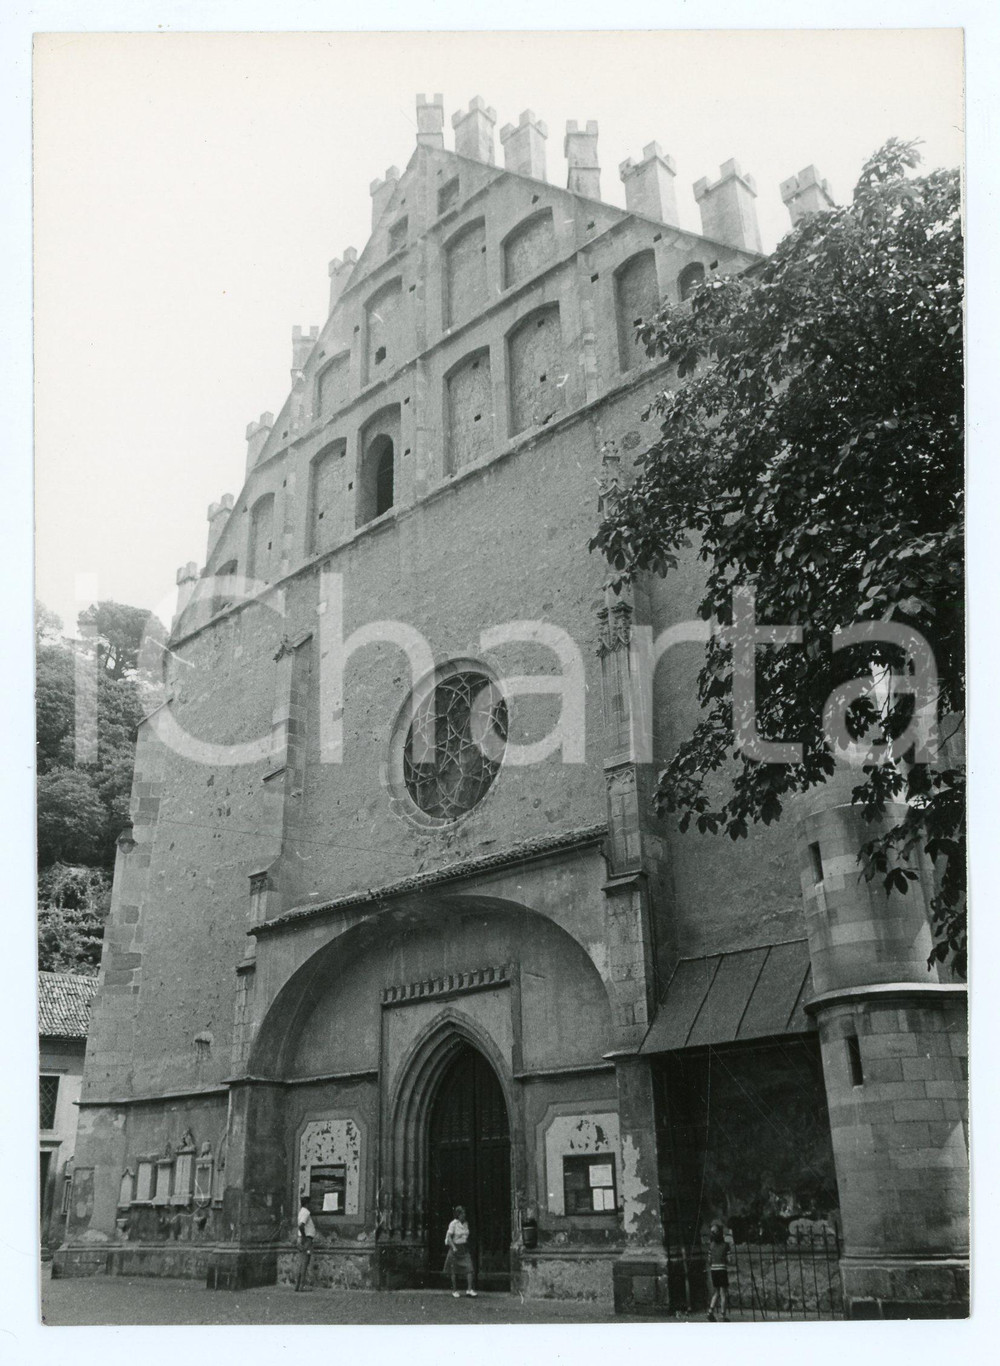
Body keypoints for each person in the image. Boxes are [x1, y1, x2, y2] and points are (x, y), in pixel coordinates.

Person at [444, 1205, 476, 1298]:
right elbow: (449, 1237)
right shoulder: (453, 1224)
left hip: (463, 1248)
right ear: (458, 1215)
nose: (464, 1215)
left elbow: (466, 1235)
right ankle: (454, 1290)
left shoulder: (466, 1223)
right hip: (455, 1248)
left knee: (469, 1268)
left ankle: (469, 1290)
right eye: (462, 1213)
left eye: (464, 1213)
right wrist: (453, 1247)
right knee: (453, 1270)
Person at [707, 1219, 730, 1321]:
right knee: (723, 1293)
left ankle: (710, 1312)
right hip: (722, 1269)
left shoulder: (711, 1246)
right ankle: (723, 1315)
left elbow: (709, 1260)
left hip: (713, 1270)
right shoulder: (726, 1245)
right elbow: (730, 1260)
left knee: (716, 1292)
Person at [295, 1195, 316, 1291]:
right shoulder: (306, 1212)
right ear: (307, 1204)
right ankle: (301, 1286)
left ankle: (298, 1285)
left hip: (303, 1239)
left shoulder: (301, 1212)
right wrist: (304, 1237)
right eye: (310, 1203)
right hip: (306, 1239)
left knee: (302, 1262)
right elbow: (301, 1226)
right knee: (305, 1262)